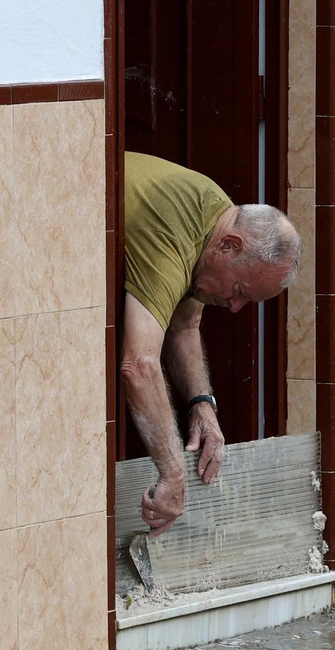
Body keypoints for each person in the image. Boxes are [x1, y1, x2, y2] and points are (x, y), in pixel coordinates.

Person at [120, 151, 302, 535]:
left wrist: (202, 407)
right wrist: (172, 472)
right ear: (229, 246)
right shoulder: (171, 228)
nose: (235, 307)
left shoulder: (214, 216)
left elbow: (184, 325)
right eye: (238, 289)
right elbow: (138, 366)